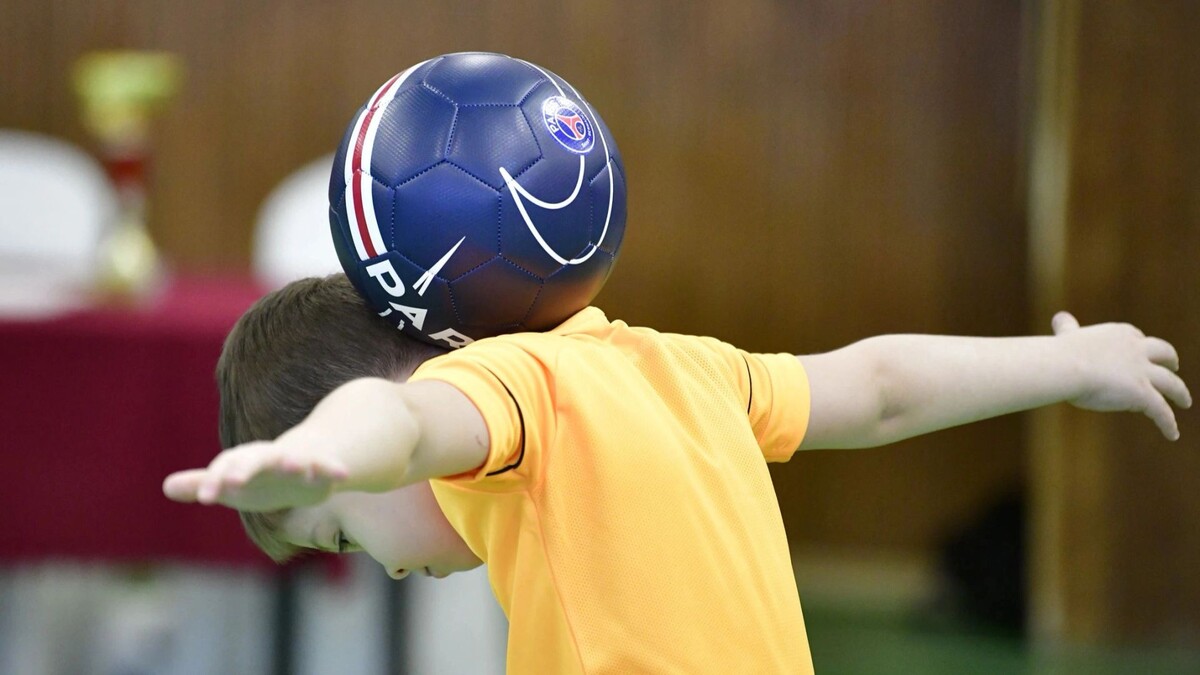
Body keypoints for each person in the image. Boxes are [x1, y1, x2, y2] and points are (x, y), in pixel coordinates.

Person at [163, 274, 1190, 674]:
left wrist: (328, 455)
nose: (377, 566)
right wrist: (1066, 362)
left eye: (340, 533)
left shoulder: (502, 387)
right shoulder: (676, 364)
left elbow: (396, 416)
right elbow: (877, 387)